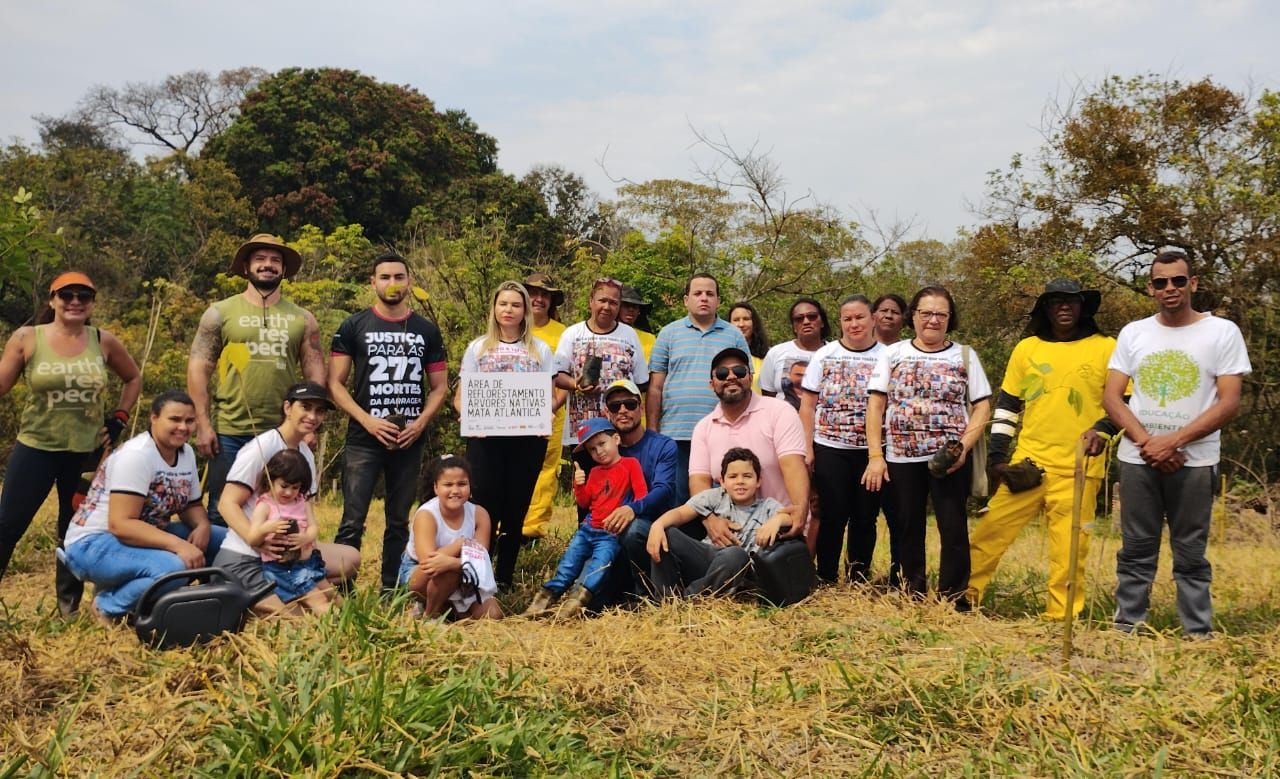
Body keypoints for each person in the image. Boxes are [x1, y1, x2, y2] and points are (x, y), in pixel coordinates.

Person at [1103, 248, 1250, 638]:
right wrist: (1148, 443)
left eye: (1178, 281)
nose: (1170, 288)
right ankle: (1126, 627)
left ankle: (1197, 631)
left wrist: (1174, 443)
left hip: (1196, 460)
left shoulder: (1222, 332)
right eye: (1161, 282)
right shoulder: (1134, 333)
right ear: (1151, 289)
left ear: (1193, 284)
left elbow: (1230, 400)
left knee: (1190, 551)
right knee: (1135, 548)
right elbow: (1113, 397)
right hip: (1138, 459)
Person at [967, 279, 1117, 619]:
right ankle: (964, 598)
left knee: (1070, 549)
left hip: (1080, 467)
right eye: (1056, 302)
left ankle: (1060, 616)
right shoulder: (1027, 348)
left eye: (1071, 301)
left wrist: (1103, 431)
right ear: (1045, 309)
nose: (1064, 307)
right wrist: (996, 458)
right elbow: (1007, 405)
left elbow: (1123, 401)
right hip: (1028, 465)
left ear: (1083, 307)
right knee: (990, 533)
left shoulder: (1107, 347)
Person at [0, 271, 142, 616]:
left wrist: (119, 418)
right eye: (67, 295)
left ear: (92, 303)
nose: (75, 301)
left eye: (84, 296)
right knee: (8, 523)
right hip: (36, 447)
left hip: (86, 453)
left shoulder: (102, 340)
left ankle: (68, 607)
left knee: (74, 529)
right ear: (52, 300)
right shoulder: (27, 338)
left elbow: (134, 377)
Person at [861, 286, 992, 610]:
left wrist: (963, 448)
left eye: (941, 314)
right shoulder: (893, 354)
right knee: (907, 525)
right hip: (902, 456)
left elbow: (982, 406)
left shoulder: (964, 355)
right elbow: (875, 406)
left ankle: (954, 598)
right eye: (926, 313)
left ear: (950, 319)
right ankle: (912, 591)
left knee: (953, 527)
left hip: (947, 459)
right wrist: (876, 456)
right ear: (914, 316)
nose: (933, 320)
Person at [328, 252, 448, 593]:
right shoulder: (353, 326)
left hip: (408, 438)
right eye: (385, 277)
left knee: (398, 520)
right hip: (364, 438)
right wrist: (367, 421)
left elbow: (439, 387)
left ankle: (390, 590)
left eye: (399, 277)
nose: (392, 283)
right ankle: (341, 591)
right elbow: (335, 384)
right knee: (352, 520)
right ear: (373, 282)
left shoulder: (426, 329)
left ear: (409, 281)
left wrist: (422, 422)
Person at [188, 233, 326, 527]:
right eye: (260, 259)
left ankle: (272, 570)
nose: (268, 265)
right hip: (230, 429)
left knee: (284, 507)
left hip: (282, 432)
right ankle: (220, 574)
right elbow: (199, 368)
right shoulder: (220, 313)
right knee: (221, 508)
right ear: (246, 266)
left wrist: (310, 427)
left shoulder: (303, 318)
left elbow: (315, 374)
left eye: (275, 260)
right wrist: (203, 424)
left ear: (284, 270)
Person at [61, 390, 226, 624]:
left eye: (189, 421)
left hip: (146, 534)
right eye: (175, 419)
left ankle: (210, 603)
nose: (183, 427)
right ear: (154, 418)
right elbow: (121, 525)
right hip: (94, 542)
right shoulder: (136, 455)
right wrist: (179, 545)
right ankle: (108, 604)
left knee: (225, 540)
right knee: (175, 567)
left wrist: (202, 525)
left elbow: (191, 503)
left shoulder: (186, 452)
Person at [214, 382, 360, 617]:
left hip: (288, 556)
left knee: (350, 559)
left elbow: (305, 511)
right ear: (287, 407)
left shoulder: (306, 455)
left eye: (319, 411)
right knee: (296, 621)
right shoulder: (261, 448)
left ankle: (297, 591)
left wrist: (304, 542)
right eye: (306, 407)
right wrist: (257, 541)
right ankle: (264, 600)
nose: (312, 416)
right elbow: (226, 503)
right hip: (247, 554)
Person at [454, 280, 555, 590]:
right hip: (486, 442)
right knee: (484, 507)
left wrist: (542, 417)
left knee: (517, 508)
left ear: (525, 310)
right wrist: (469, 418)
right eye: (503, 304)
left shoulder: (540, 349)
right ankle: (479, 574)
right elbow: (460, 396)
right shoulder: (478, 347)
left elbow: (548, 395)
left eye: (515, 304)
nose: (508, 310)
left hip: (526, 442)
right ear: (494, 309)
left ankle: (506, 577)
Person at [523, 417, 648, 618]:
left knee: (597, 570)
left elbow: (642, 495)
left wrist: (628, 510)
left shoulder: (630, 465)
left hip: (610, 533)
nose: (599, 451)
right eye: (592, 449)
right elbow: (584, 502)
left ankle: (572, 607)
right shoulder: (595, 471)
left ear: (616, 439)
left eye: (602, 444)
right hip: (587, 530)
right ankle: (540, 605)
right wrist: (579, 484)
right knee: (567, 566)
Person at [799, 294, 884, 584]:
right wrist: (807, 447)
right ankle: (825, 576)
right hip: (831, 447)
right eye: (847, 319)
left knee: (865, 517)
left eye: (860, 317)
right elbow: (807, 405)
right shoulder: (824, 355)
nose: (854, 324)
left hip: (871, 451)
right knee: (833, 514)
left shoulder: (887, 356)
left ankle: (858, 576)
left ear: (872, 319)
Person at [689, 348, 809, 547]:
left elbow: (794, 467)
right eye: (721, 373)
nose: (731, 377)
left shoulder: (779, 412)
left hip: (776, 530)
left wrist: (798, 514)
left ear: (750, 377)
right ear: (712, 384)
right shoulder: (704, 427)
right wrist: (711, 521)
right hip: (729, 537)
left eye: (739, 371)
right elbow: (699, 483)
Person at [647, 273, 749, 505]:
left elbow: (745, 383)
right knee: (678, 501)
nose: (704, 298)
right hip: (676, 434)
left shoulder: (733, 335)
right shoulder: (668, 334)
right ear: (686, 300)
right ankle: (678, 543)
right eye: (698, 293)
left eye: (710, 294)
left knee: (723, 500)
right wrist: (653, 433)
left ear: (718, 301)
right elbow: (655, 388)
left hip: (723, 433)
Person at [646, 447, 795, 598]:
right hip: (709, 560)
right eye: (733, 476)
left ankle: (690, 598)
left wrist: (776, 521)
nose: (740, 482)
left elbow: (791, 519)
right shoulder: (715, 497)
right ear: (722, 481)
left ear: (758, 481)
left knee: (737, 554)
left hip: (739, 572)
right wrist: (657, 525)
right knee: (667, 534)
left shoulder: (767, 506)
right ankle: (664, 599)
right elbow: (680, 513)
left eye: (747, 476)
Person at [599, 379, 680, 601]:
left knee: (633, 530)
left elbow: (663, 489)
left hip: (653, 525)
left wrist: (632, 509)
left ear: (641, 408)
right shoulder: (602, 450)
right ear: (608, 413)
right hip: (612, 527)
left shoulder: (664, 445)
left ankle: (646, 592)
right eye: (615, 406)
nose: (623, 410)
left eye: (630, 404)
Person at [553, 277, 648, 457]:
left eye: (613, 302)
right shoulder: (572, 334)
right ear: (591, 301)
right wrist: (576, 385)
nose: (607, 307)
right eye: (602, 300)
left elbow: (642, 382)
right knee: (587, 482)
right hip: (583, 431)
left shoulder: (629, 335)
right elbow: (557, 375)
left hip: (621, 430)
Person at [400, 455, 501, 620]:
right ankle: (430, 615)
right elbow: (429, 563)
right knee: (447, 572)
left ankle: (449, 606)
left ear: (470, 485)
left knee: (493, 615)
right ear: (436, 487)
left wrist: (454, 562)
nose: (455, 490)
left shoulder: (480, 514)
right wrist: (460, 545)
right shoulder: (427, 514)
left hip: (463, 574)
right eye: (448, 484)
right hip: (421, 572)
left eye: (462, 484)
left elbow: (482, 562)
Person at [250, 449, 333, 614]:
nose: (289, 492)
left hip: (309, 562)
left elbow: (313, 527)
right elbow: (252, 538)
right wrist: (267, 528)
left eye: (295, 487)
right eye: (284, 486)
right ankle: (338, 632)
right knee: (319, 600)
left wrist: (306, 537)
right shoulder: (265, 506)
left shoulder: (302, 502)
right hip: (284, 567)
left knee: (331, 594)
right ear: (271, 479)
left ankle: (350, 621)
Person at [521, 272, 569, 541]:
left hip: (551, 411)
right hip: (510, 412)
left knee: (545, 468)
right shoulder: (510, 325)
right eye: (533, 293)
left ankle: (531, 529)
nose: (538, 299)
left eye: (545, 295)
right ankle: (500, 526)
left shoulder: (562, 333)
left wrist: (551, 407)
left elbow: (564, 376)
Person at [759, 297, 830, 398]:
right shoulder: (776, 353)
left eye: (812, 316)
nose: (806, 322)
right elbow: (768, 396)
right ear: (794, 326)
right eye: (799, 318)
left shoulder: (835, 353)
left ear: (822, 322)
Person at [728, 301, 769, 392]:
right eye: (736, 320)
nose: (741, 324)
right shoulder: (722, 355)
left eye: (746, 319)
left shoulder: (767, 357)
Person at [618, 285, 657, 362]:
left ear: (639, 311)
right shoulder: (606, 335)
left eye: (634, 306)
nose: (631, 309)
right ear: (618, 308)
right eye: (626, 305)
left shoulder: (650, 339)